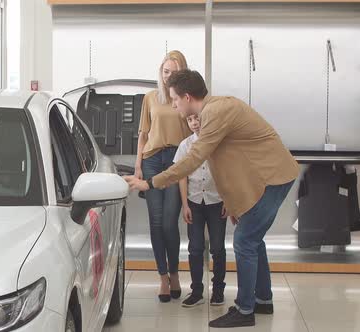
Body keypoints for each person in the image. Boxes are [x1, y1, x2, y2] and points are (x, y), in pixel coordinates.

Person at [124, 69, 299, 328]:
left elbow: (194, 158)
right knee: (253, 238)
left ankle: (245, 309)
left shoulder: (215, 113)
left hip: (274, 177)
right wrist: (237, 203)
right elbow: (225, 165)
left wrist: (150, 183)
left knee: (245, 241)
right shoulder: (214, 111)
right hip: (271, 176)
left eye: (174, 99)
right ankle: (263, 299)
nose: (173, 105)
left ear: (186, 96)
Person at [134, 50, 192, 303]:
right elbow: (143, 135)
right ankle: (163, 277)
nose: (169, 76)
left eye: (174, 72)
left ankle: (175, 273)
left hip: (176, 161)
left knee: (170, 222)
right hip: (152, 160)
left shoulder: (185, 99)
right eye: (165, 71)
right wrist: (138, 166)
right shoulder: (151, 97)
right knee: (156, 223)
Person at [174, 114, 227, 308]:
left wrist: (228, 200)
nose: (194, 123)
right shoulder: (185, 145)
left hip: (216, 201)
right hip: (194, 201)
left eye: (197, 118)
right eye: (190, 120)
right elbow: (181, 176)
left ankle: (219, 290)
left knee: (218, 248)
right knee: (195, 248)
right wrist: (185, 205)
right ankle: (197, 291)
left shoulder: (219, 142)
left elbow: (226, 172)